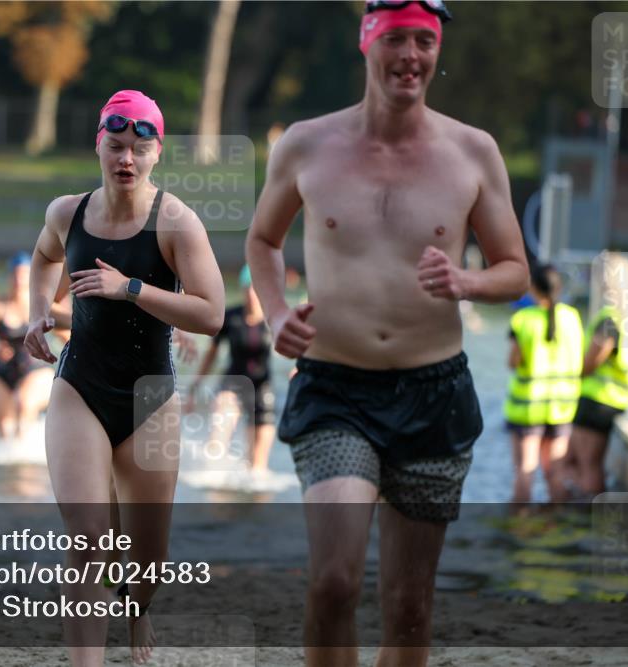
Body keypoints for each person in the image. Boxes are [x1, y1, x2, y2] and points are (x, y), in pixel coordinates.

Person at [244, 2, 529, 665]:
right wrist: (278, 312)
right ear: (367, 41)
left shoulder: (473, 150)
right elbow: (263, 240)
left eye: (425, 42)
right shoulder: (307, 144)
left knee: (408, 604)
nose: (412, 57)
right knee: (335, 581)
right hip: (334, 389)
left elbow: (515, 270)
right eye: (398, 39)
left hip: (434, 392)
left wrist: (467, 281)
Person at [25, 90, 224, 666]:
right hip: (79, 385)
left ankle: (136, 611)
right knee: (87, 541)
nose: (126, 159)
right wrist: (40, 309)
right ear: (99, 145)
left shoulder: (177, 223)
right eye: (116, 146)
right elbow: (43, 258)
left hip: (150, 397)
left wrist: (129, 288)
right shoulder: (68, 212)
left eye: (139, 148)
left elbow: (211, 314)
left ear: (157, 152)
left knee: (147, 561)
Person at [503, 264, 584, 503]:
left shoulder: (522, 320)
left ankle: (519, 529)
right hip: (562, 407)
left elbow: (513, 362)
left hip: (527, 408)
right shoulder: (572, 316)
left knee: (525, 471)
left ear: (533, 288)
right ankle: (558, 527)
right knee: (555, 472)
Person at [569, 252, 628, 496]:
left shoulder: (609, 319)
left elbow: (592, 360)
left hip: (597, 400)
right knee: (585, 463)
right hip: (616, 399)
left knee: (588, 465)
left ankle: (587, 521)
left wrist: (570, 374)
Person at [188, 265, 275, 472]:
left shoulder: (273, 319)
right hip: (233, 383)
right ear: (244, 289)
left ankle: (254, 498)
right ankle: (212, 475)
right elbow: (212, 354)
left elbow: (293, 345)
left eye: (257, 289)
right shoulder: (231, 317)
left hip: (262, 387)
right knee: (219, 434)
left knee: (257, 466)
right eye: (249, 288)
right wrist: (196, 384)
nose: (253, 294)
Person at [0, 252, 58, 440]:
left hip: (36, 369)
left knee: (25, 403)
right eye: (15, 274)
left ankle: (29, 455)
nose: (19, 280)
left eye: (24, 275)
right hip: (4, 372)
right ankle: (11, 463)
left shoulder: (43, 304)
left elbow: (66, 332)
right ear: (9, 276)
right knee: (5, 429)